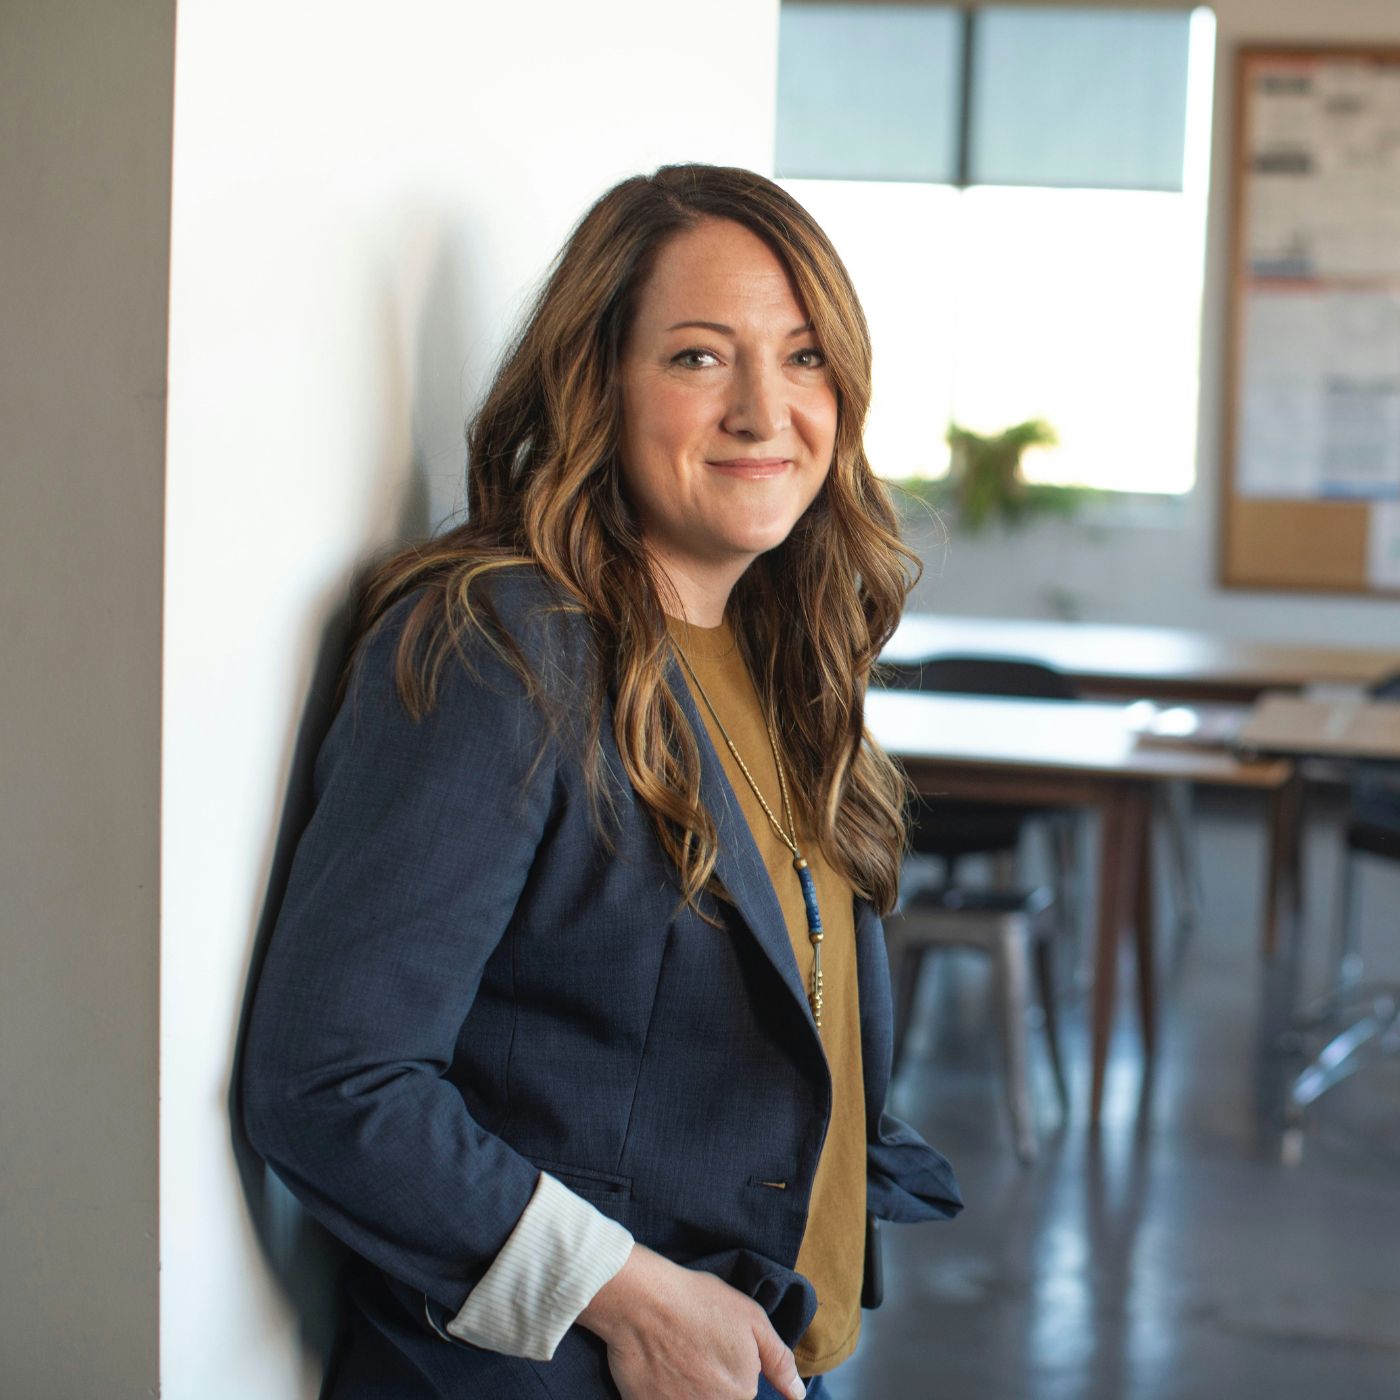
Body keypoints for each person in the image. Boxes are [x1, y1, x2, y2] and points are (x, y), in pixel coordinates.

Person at [240, 162, 962, 1400]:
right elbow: (331, 1078)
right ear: (598, 384)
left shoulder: (778, 649)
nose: (762, 410)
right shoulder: (503, 643)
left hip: (760, 1352)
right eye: (697, 357)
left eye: (802, 357)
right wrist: (631, 1294)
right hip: (586, 1368)